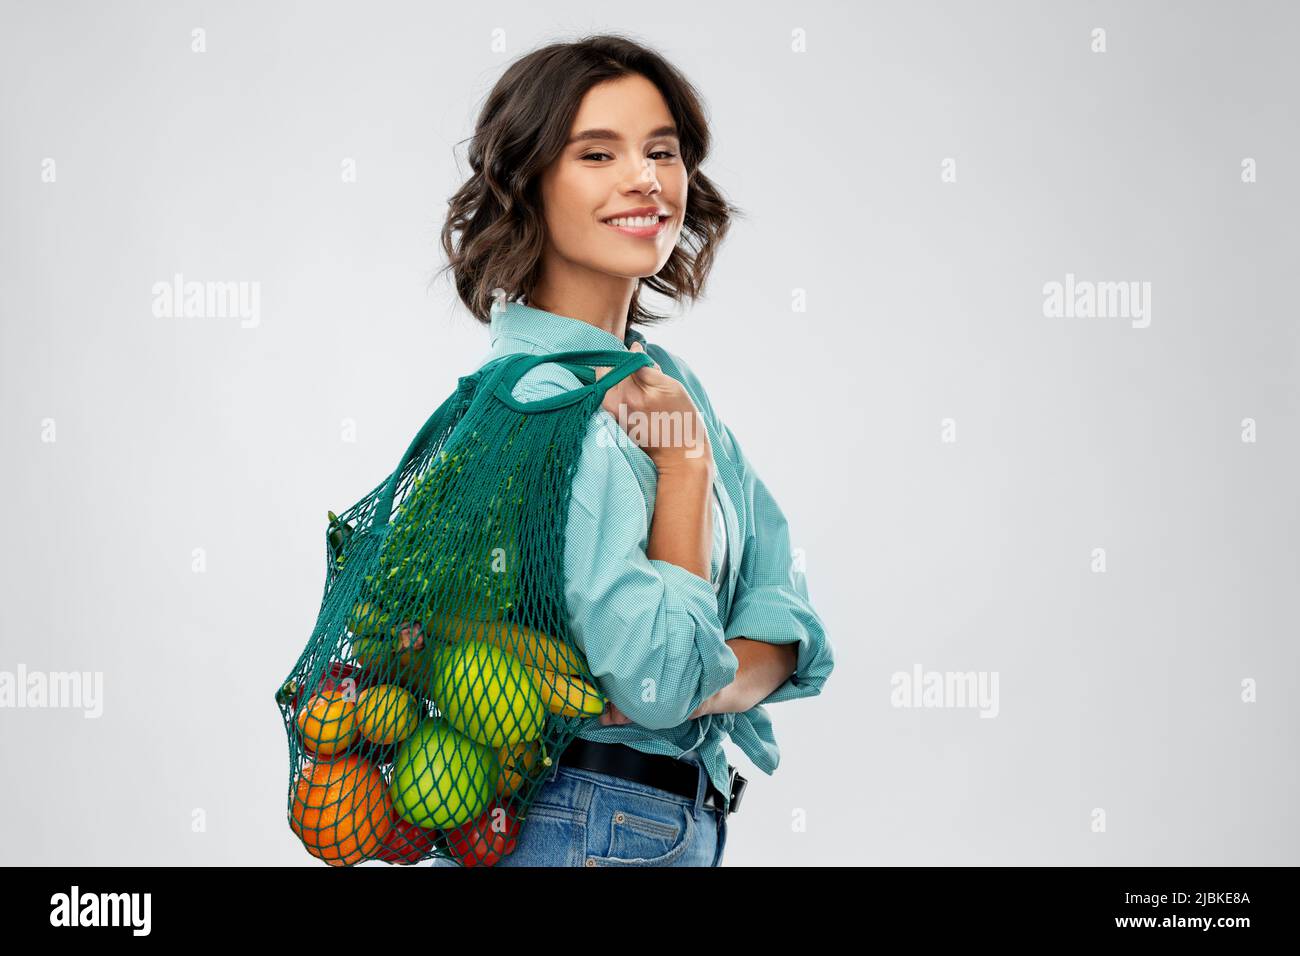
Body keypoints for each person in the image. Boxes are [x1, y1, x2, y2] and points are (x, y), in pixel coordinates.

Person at [429, 33, 834, 867]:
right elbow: (659, 680)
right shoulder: (540, 403)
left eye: (662, 151)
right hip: (583, 823)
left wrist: (699, 685)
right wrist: (683, 471)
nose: (644, 178)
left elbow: (792, 618)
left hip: (642, 822)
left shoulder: (667, 384)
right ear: (528, 183)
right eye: (597, 153)